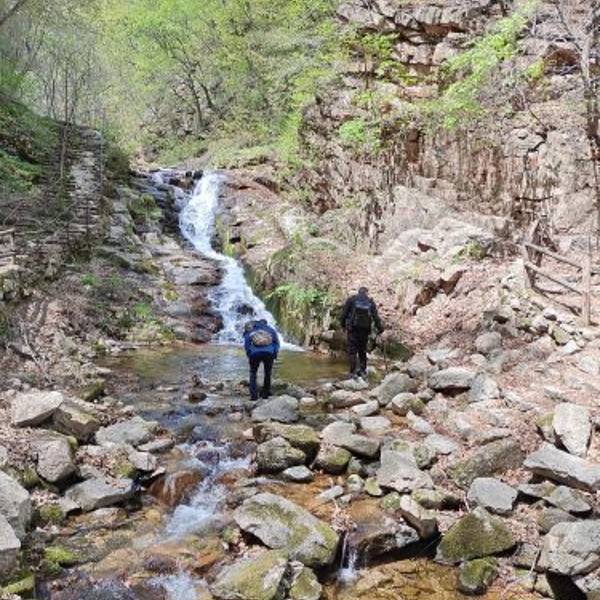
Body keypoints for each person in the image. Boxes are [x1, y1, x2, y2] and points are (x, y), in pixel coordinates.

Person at [340, 287, 384, 378]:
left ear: (358, 292)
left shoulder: (351, 300)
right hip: (365, 330)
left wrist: (343, 325)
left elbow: (344, 315)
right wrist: (380, 329)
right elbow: (375, 317)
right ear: (367, 293)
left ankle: (352, 372)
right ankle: (362, 370)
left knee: (352, 351)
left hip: (353, 329)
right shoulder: (370, 302)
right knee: (362, 350)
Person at [243, 318, 280, 401]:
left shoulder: (252, 330)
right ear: (266, 323)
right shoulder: (271, 330)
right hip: (269, 353)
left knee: (253, 373)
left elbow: (247, 343)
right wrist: (274, 355)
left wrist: (249, 354)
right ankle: (265, 394)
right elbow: (277, 344)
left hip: (254, 353)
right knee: (268, 373)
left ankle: (253, 396)